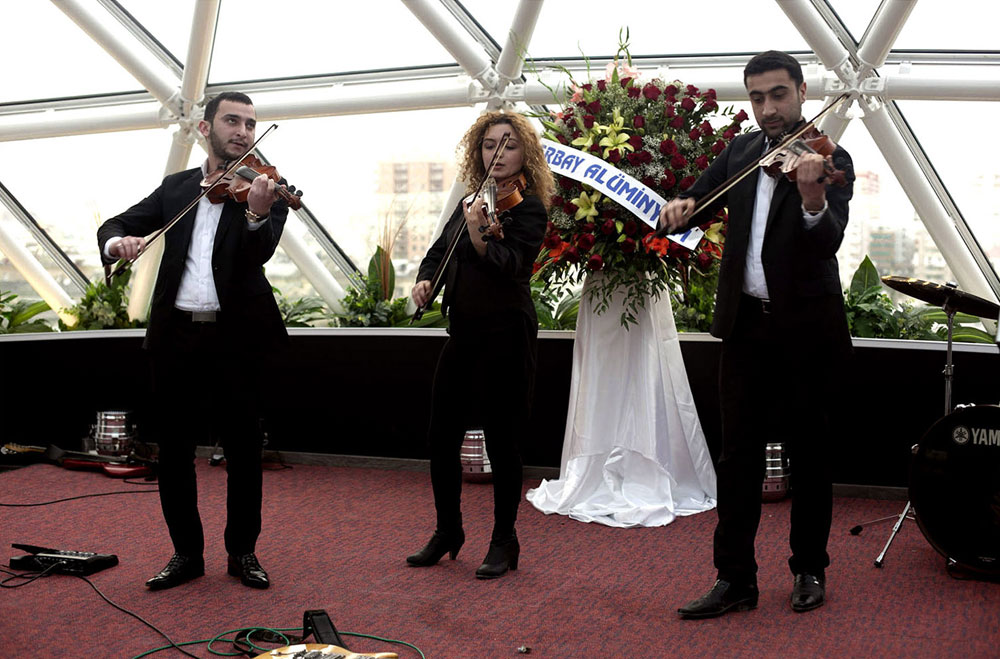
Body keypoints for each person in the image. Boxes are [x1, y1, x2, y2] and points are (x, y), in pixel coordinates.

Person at [659, 51, 855, 617]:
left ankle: (809, 568)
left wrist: (814, 200)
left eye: (778, 94)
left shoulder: (830, 157)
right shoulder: (742, 152)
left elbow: (827, 241)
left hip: (806, 330)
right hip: (745, 326)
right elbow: (699, 198)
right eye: (757, 97)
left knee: (810, 453)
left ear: (802, 92)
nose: (768, 108)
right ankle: (734, 578)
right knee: (737, 456)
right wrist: (681, 206)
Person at [97, 91, 289, 591]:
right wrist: (119, 243)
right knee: (174, 452)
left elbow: (259, 253)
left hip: (236, 339)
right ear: (205, 128)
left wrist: (256, 214)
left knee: (244, 452)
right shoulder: (176, 188)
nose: (243, 131)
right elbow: (117, 225)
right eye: (232, 121)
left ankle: (242, 553)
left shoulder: (263, 186)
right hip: (176, 337)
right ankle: (186, 554)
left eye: (250, 123)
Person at [406, 111, 554, 579]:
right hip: (464, 332)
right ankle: (448, 530)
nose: (498, 153)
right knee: (440, 436)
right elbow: (439, 251)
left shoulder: (528, 208)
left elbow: (513, 265)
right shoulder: (471, 200)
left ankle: (504, 540)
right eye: (490, 145)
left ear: (525, 153)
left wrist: (480, 235)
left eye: (508, 145)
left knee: (503, 440)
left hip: (506, 334)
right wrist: (426, 280)